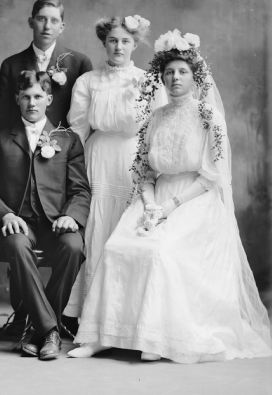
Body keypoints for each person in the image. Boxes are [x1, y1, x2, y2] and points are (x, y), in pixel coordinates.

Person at [68, 30, 272, 363]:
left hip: (194, 199)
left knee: (161, 252)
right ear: (160, 78)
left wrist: (170, 207)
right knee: (116, 247)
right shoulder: (155, 117)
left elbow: (212, 177)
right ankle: (102, 335)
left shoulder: (210, 119)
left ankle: (155, 336)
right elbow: (144, 172)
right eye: (169, 73)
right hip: (155, 197)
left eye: (182, 72)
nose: (174, 78)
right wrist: (150, 204)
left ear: (195, 76)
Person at [0, 70, 91, 360]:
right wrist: (4, 215)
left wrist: (71, 217)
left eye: (38, 96)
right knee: (16, 242)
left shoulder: (68, 140)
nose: (31, 102)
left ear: (49, 99)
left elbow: (80, 191)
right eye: (26, 96)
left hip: (55, 222)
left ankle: (35, 328)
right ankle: (50, 330)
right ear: (17, 99)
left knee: (74, 246)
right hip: (16, 223)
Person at [64, 15, 166, 317]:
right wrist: (72, 171)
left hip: (133, 160)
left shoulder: (149, 81)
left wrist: (153, 170)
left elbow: (157, 127)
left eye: (125, 41)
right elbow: (78, 129)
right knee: (98, 230)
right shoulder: (88, 81)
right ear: (104, 43)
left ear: (135, 44)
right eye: (112, 40)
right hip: (98, 159)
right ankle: (93, 315)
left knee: (127, 230)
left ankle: (127, 316)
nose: (118, 46)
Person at [0, 0, 92, 129]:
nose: (47, 26)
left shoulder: (80, 63)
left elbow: (86, 115)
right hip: (22, 144)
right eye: (41, 19)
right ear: (31, 22)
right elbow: (2, 115)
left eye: (54, 21)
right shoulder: (11, 65)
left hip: (65, 144)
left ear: (62, 27)